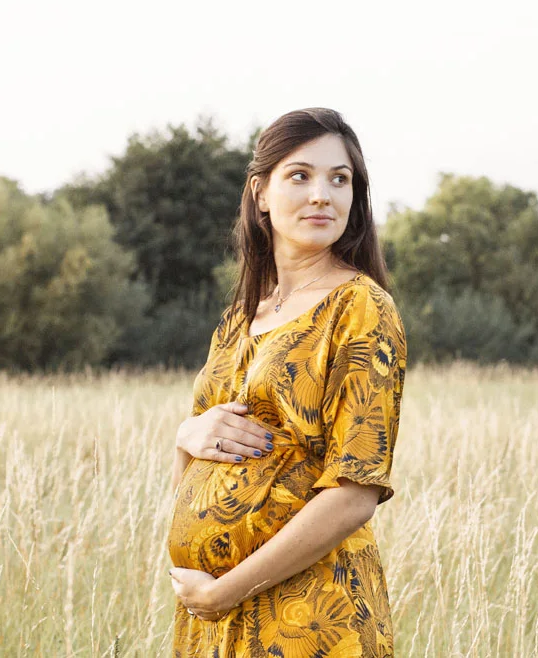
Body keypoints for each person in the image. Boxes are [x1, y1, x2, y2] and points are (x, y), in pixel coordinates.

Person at [166, 108, 407, 657]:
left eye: (338, 179)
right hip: (213, 621)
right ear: (261, 194)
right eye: (300, 176)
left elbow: (355, 492)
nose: (321, 194)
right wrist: (187, 435)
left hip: (310, 619)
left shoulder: (360, 309)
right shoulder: (239, 319)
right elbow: (196, 473)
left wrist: (226, 590)